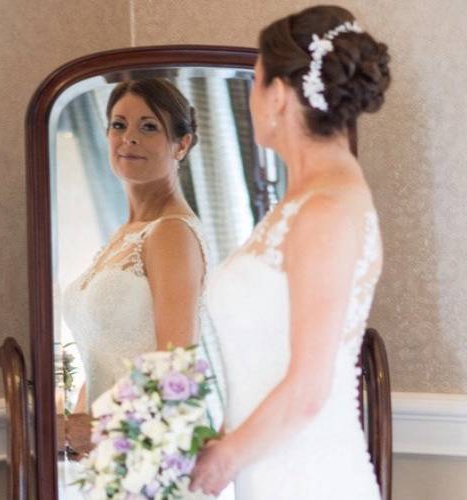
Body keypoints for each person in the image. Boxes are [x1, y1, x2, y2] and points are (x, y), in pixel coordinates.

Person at [190, 5, 391, 499]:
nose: (253, 96)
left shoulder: (325, 209)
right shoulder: (304, 199)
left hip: (311, 479)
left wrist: (222, 462)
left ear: (278, 95)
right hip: (271, 473)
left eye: (255, 81)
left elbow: (307, 390)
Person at [61, 78, 221, 499]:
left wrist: (96, 431)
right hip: (106, 461)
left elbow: (175, 370)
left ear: (181, 144)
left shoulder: (171, 233)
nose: (128, 137)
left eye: (149, 126)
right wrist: (74, 423)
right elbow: (103, 351)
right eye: (118, 124)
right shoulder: (126, 234)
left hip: (152, 462)